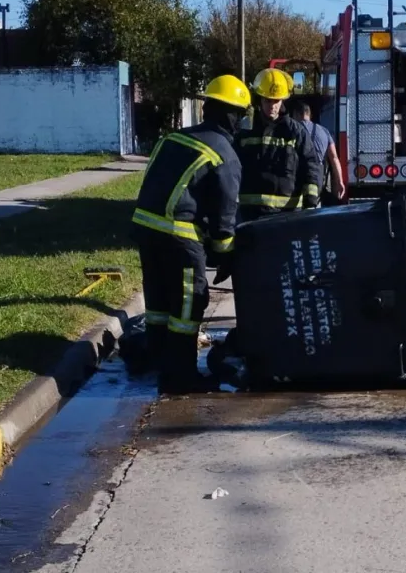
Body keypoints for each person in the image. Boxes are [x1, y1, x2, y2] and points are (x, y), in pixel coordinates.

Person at [130, 74, 250, 394]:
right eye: (241, 114)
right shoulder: (225, 152)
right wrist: (225, 253)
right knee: (188, 304)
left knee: (158, 300)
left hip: (144, 225)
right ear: (232, 115)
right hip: (178, 234)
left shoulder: (173, 137)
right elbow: (224, 214)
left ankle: (154, 358)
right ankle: (179, 376)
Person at [235, 68, 321, 222]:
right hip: (249, 214)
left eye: (276, 101)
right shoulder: (245, 129)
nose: (272, 106)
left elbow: (311, 166)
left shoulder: (296, 131)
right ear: (260, 99)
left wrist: (311, 203)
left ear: (282, 101)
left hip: (287, 215)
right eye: (268, 100)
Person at [291, 101, 345, 203]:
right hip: (317, 177)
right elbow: (334, 158)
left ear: (297, 114)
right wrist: (340, 181)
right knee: (314, 206)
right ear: (309, 114)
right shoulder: (324, 131)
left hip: (296, 175)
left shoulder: (292, 129)